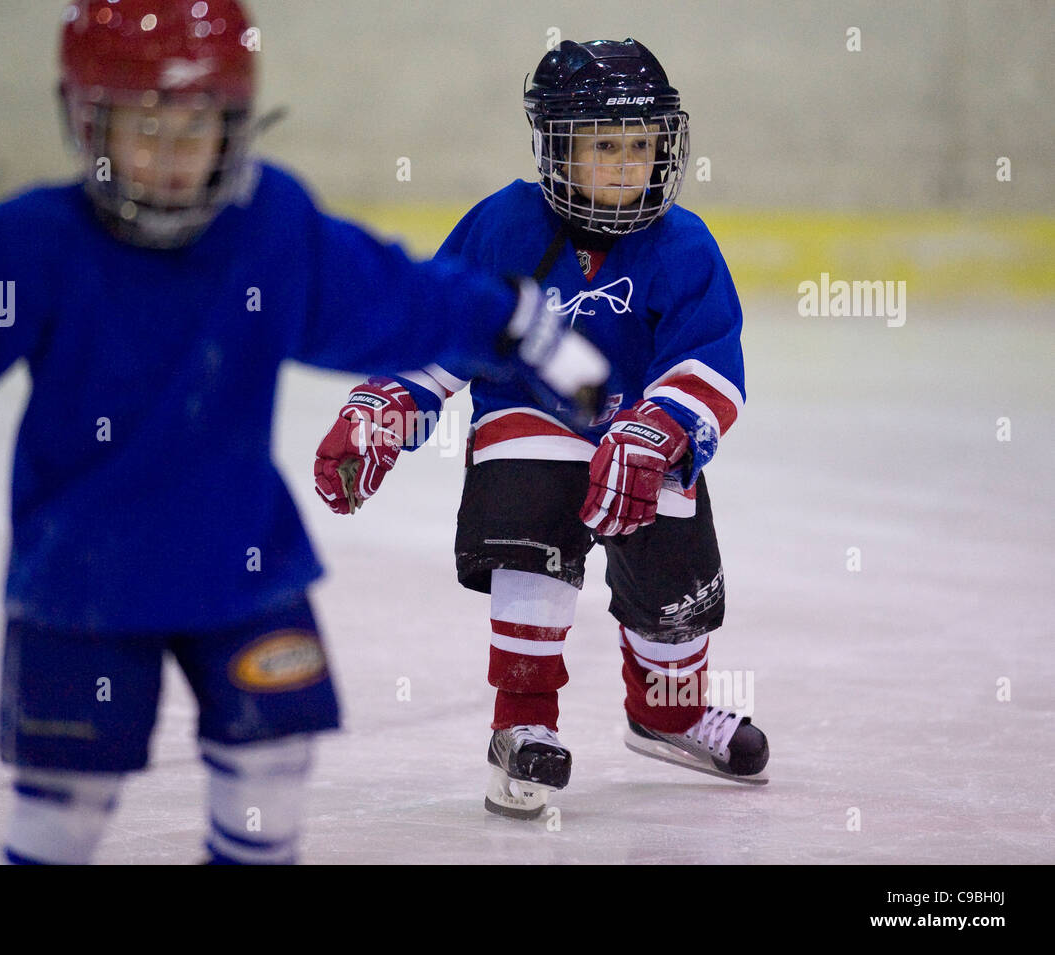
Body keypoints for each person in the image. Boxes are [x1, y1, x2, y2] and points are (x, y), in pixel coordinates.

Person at [0, 0, 609, 864]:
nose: (171, 158)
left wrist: (512, 322)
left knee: (271, 760)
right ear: (86, 122)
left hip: (241, 558)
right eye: (142, 128)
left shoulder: (268, 228)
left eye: (197, 128)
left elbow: (393, 297)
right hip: (82, 573)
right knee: (64, 809)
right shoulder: (34, 242)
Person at [314, 39, 769, 820]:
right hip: (531, 420)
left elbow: (710, 358)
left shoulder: (685, 243)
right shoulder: (503, 227)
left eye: (640, 144)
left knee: (675, 580)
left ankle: (666, 710)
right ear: (555, 150)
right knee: (527, 498)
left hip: (640, 433)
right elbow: (448, 325)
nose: (628, 165)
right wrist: (390, 402)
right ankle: (522, 721)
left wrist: (660, 429)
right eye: (603, 145)